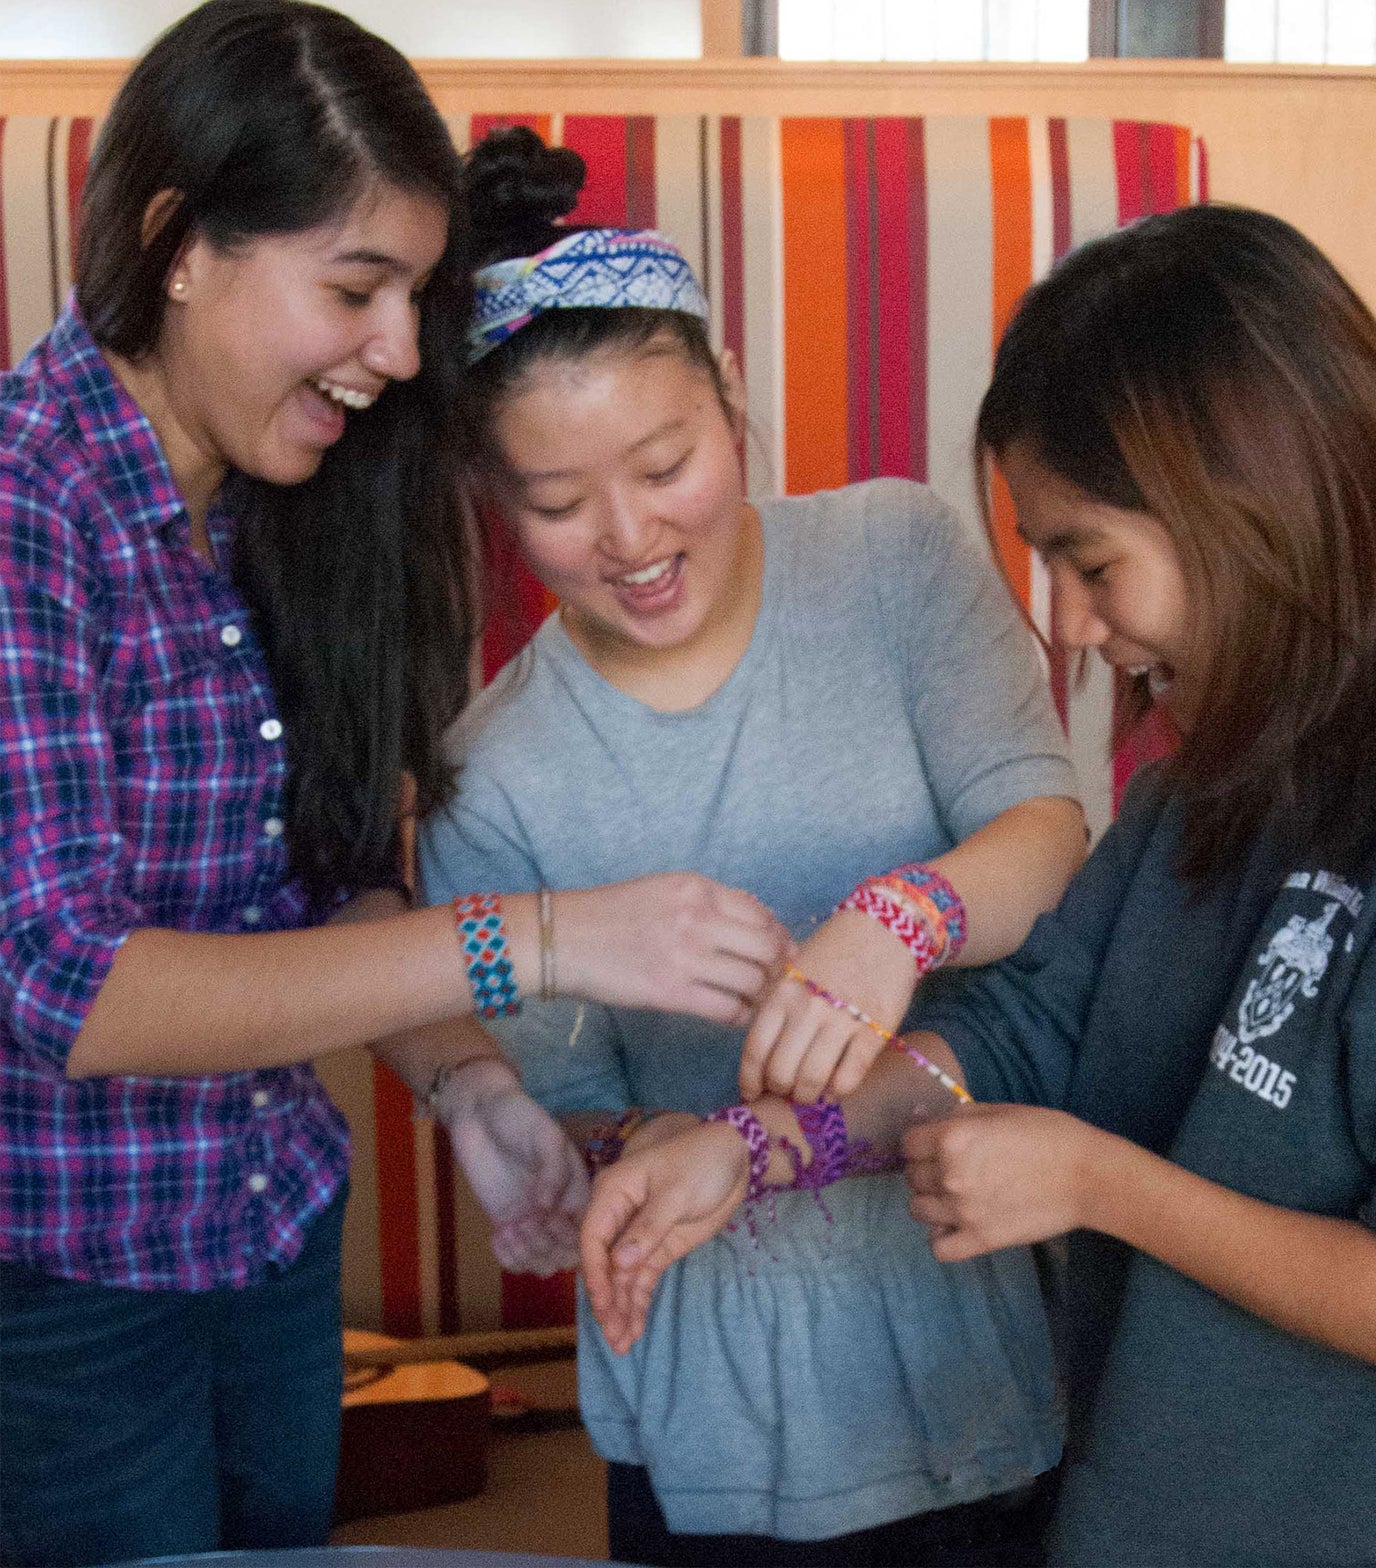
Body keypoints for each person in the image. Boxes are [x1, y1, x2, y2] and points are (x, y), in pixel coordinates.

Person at [585, 203, 1376, 1568]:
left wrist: (1101, 1185)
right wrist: (759, 1148)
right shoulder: (1238, 747)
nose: (1065, 623)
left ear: (1256, 501)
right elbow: (1035, 1025)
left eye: (1090, 560)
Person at [0, 0, 789, 1568]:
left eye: (416, 297)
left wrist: (472, 1092)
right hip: (64, 1294)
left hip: (273, 1230)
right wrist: (545, 940)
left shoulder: (275, 502)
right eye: (355, 289)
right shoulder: (31, 512)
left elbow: (333, 885)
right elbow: (67, 984)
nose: (400, 351)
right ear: (176, 244)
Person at [418, 125, 1088, 1566]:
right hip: (720, 1393)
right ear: (493, 497)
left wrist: (897, 920)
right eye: (557, 503)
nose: (629, 537)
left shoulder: (897, 559)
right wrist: (632, 1141)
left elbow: (1046, 845)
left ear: (733, 401)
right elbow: (576, 1114)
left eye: (665, 463)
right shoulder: (495, 778)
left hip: (970, 1308)